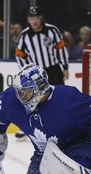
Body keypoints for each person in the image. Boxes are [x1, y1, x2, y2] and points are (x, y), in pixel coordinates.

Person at [14, 6, 69, 140]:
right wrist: (25, 70)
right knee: (32, 100)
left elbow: (60, 48)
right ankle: (25, 127)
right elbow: (19, 54)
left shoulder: (52, 31)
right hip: (35, 73)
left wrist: (65, 66)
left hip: (53, 69)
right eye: (32, 19)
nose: (34, 21)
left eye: (36, 18)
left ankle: (63, 126)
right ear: (28, 20)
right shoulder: (24, 35)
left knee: (58, 97)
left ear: (41, 19)